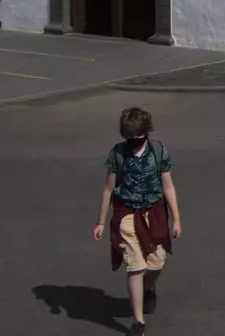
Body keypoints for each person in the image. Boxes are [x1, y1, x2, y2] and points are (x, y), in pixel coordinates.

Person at [92, 107, 181, 336]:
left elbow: (168, 186)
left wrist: (177, 220)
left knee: (156, 263)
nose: (134, 140)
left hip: (154, 213)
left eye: (138, 135)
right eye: (128, 136)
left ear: (146, 132)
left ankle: (149, 288)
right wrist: (101, 221)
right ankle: (138, 322)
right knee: (135, 266)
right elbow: (108, 189)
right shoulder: (118, 154)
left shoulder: (158, 151)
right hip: (127, 214)